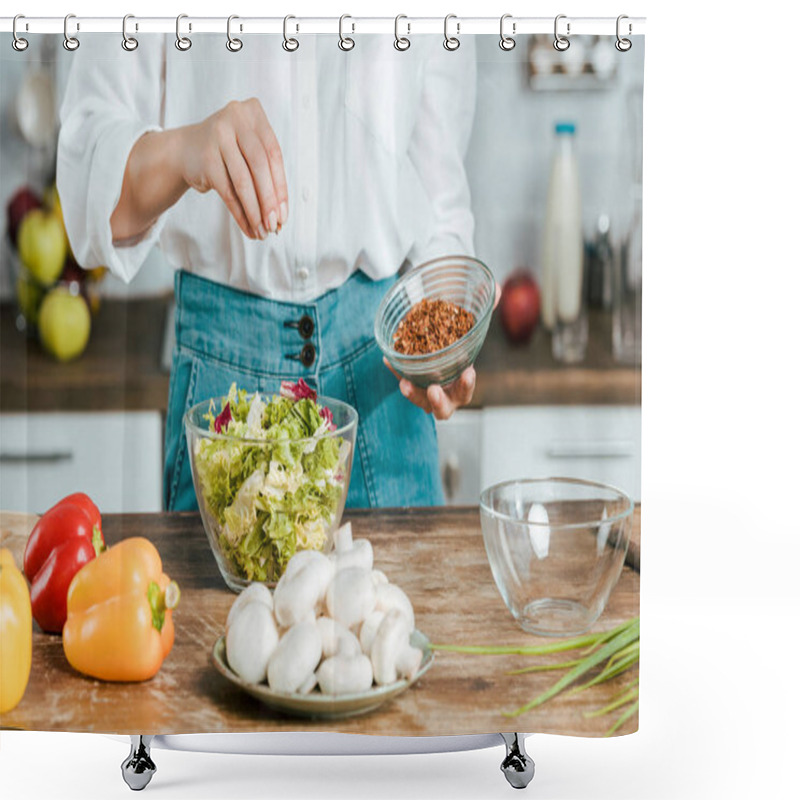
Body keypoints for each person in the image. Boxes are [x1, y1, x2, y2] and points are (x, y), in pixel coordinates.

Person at [57, 34, 483, 511]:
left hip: (384, 382)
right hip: (225, 389)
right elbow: (87, 189)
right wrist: (185, 150)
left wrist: (443, 353)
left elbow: (438, 200)